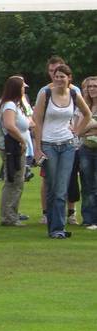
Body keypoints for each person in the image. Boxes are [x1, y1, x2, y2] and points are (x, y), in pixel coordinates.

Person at [33, 64, 92, 239]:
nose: (59, 79)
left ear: (69, 78)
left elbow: (87, 114)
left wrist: (77, 131)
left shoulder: (74, 94)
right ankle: (53, 227)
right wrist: (37, 148)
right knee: (52, 187)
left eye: (62, 76)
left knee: (61, 188)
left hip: (67, 145)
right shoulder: (46, 94)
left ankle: (58, 228)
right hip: (48, 144)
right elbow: (37, 120)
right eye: (56, 76)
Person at [0, 76, 29, 226]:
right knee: (14, 180)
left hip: (13, 145)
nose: (24, 90)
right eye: (22, 87)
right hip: (12, 146)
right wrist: (22, 140)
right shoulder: (10, 105)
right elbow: (9, 125)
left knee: (15, 180)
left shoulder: (13, 104)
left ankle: (10, 213)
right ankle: (9, 216)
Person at [78, 76, 97, 229]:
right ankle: (88, 218)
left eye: (95, 86)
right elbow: (78, 130)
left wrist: (87, 129)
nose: (92, 89)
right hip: (86, 149)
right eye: (89, 86)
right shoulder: (85, 107)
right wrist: (89, 129)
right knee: (87, 184)